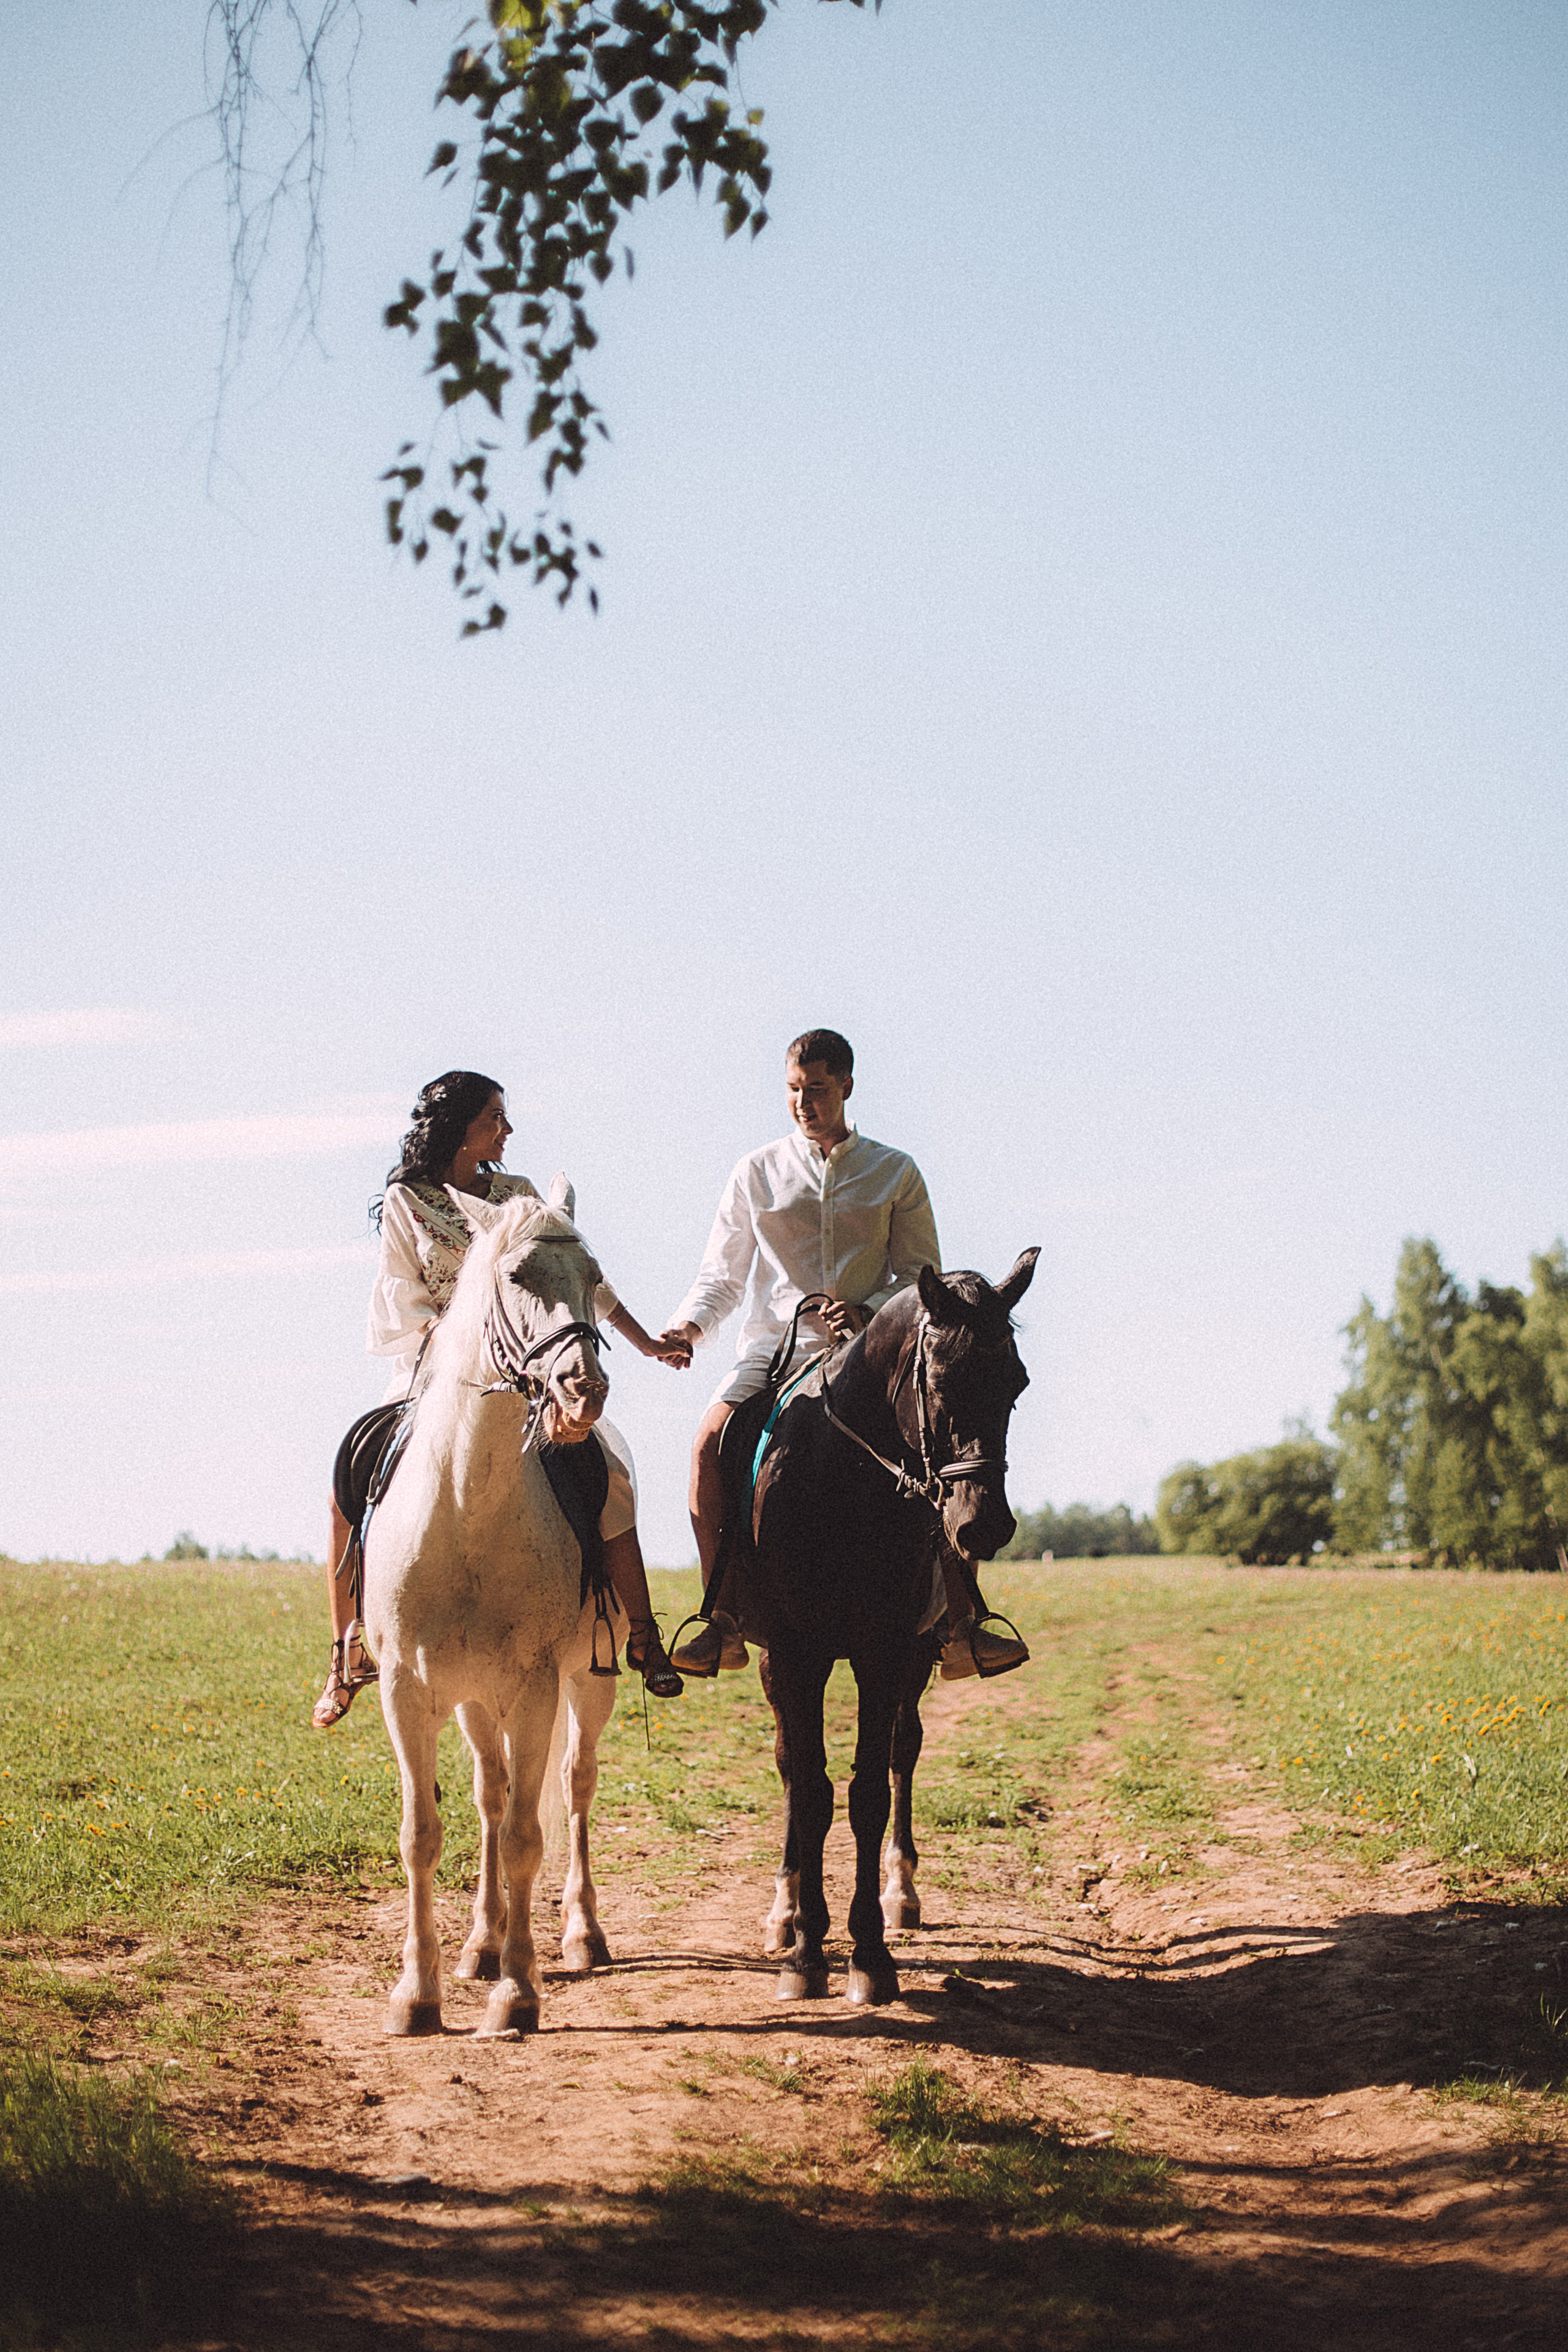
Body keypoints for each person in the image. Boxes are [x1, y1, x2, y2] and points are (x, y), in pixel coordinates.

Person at [312, 1069, 692, 1727]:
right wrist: (454, 1338)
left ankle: (639, 1629)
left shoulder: (518, 1196)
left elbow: (579, 1280)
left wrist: (643, 1343)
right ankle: (347, 1653)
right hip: (433, 1369)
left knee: (610, 1467)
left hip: (525, 1368)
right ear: (462, 1124)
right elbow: (401, 1289)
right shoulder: (409, 1200)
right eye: (496, 1117)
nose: (508, 1131)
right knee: (348, 1478)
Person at [658, 1030, 1027, 1679]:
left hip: (875, 1356)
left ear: (848, 1086)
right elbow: (722, 1274)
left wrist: (868, 1310)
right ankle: (720, 1614)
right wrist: (688, 1327)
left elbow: (921, 1273)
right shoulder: (756, 1171)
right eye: (795, 1091)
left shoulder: (895, 1170)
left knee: (950, 1440)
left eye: (818, 1090)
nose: (804, 1104)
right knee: (707, 1444)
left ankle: (963, 1619)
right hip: (777, 1349)